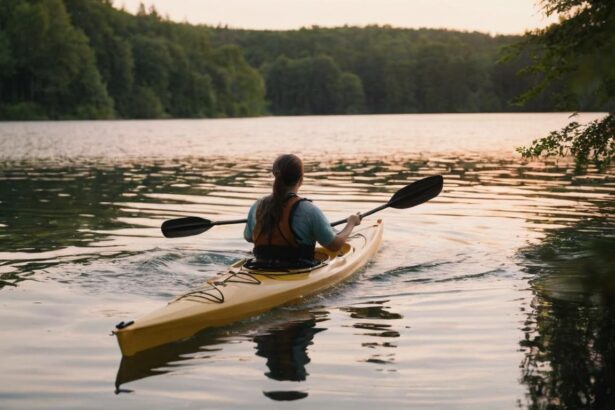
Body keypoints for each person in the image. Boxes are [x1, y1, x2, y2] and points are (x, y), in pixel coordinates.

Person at [244, 154, 361, 267]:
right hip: (297, 270)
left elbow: (249, 237)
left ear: (274, 175)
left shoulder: (257, 206)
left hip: (260, 266)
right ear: (301, 179)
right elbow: (334, 246)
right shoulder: (309, 210)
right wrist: (351, 223)